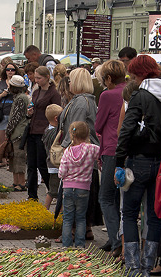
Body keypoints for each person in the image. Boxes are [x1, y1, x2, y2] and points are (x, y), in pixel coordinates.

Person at [115, 55, 161, 277]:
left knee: (130, 213)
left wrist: (118, 160)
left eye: (133, 74)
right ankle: (148, 264)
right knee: (154, 215)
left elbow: (127, 129)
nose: (132, 78)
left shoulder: (140, 96)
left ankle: (132, 267)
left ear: (141, 74)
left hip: (138, 160)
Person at [58, 67, 100, 240]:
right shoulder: (86, 100)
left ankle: (71, 234)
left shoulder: (80, 102)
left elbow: (76, 128)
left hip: (78, 156)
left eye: (70, 80)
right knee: (86, 199)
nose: (68, 83)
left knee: (72, 205)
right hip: (86, 154)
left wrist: (66, 149)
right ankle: (85, 229)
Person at [96, 59, 127, 258]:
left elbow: (98, 125)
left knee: (106, 197)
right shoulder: (130, 91)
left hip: (111, 148)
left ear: (109, 78)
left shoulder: (108, 95)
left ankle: (116, 240)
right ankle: (117, 238)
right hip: (125, 149)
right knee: (120, 199)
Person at [59, 121, 100, 248]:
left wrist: (65, 177)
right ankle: (80, 246)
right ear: (88, 134)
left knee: (67, 218)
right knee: (81, 218)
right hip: (83, 188)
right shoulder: (91, 148)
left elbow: (62, 172)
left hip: (68, 188)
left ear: (72, 134)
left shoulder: (67, 151)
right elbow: (101, 154)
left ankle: (66, 246)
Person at [26, 66, 61, 201]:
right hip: (33, 129)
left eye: (39, 78)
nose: (37, 80)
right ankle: (32, 195)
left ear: (47, 77)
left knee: (43, 163)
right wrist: (29, 112)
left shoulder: (53, 93)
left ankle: (52, 192)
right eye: (35, 78)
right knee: (31, 164)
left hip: (44, 131)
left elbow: (57, 111)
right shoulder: (36, 91)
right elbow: (32, 105)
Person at [4, 74, 31, 191]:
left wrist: (8, 131)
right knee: (13, 157)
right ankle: (15, 182)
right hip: (17, 132)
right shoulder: (20, 97)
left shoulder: (21, 98)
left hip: (18, 132)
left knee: (19, 158)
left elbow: (16, 117)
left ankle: (21, 183)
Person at [0, 63, 17, 167]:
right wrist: (2, 95)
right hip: (2, 114)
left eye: (12, 70)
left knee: (12, 140)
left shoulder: (18, 82)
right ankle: (2, 159)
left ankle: (10, 161)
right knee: (1, 139)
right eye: (8, 70)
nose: (10, 72)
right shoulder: (1, 83)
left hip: (13, 114)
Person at [41, 104, 63, 206]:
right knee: (53, 191)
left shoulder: (47, 130)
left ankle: (60, 212)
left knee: (58, 191)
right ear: (56, 118)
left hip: (50, 163)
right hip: (55, 165)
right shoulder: (55, 132)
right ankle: (45, 210)